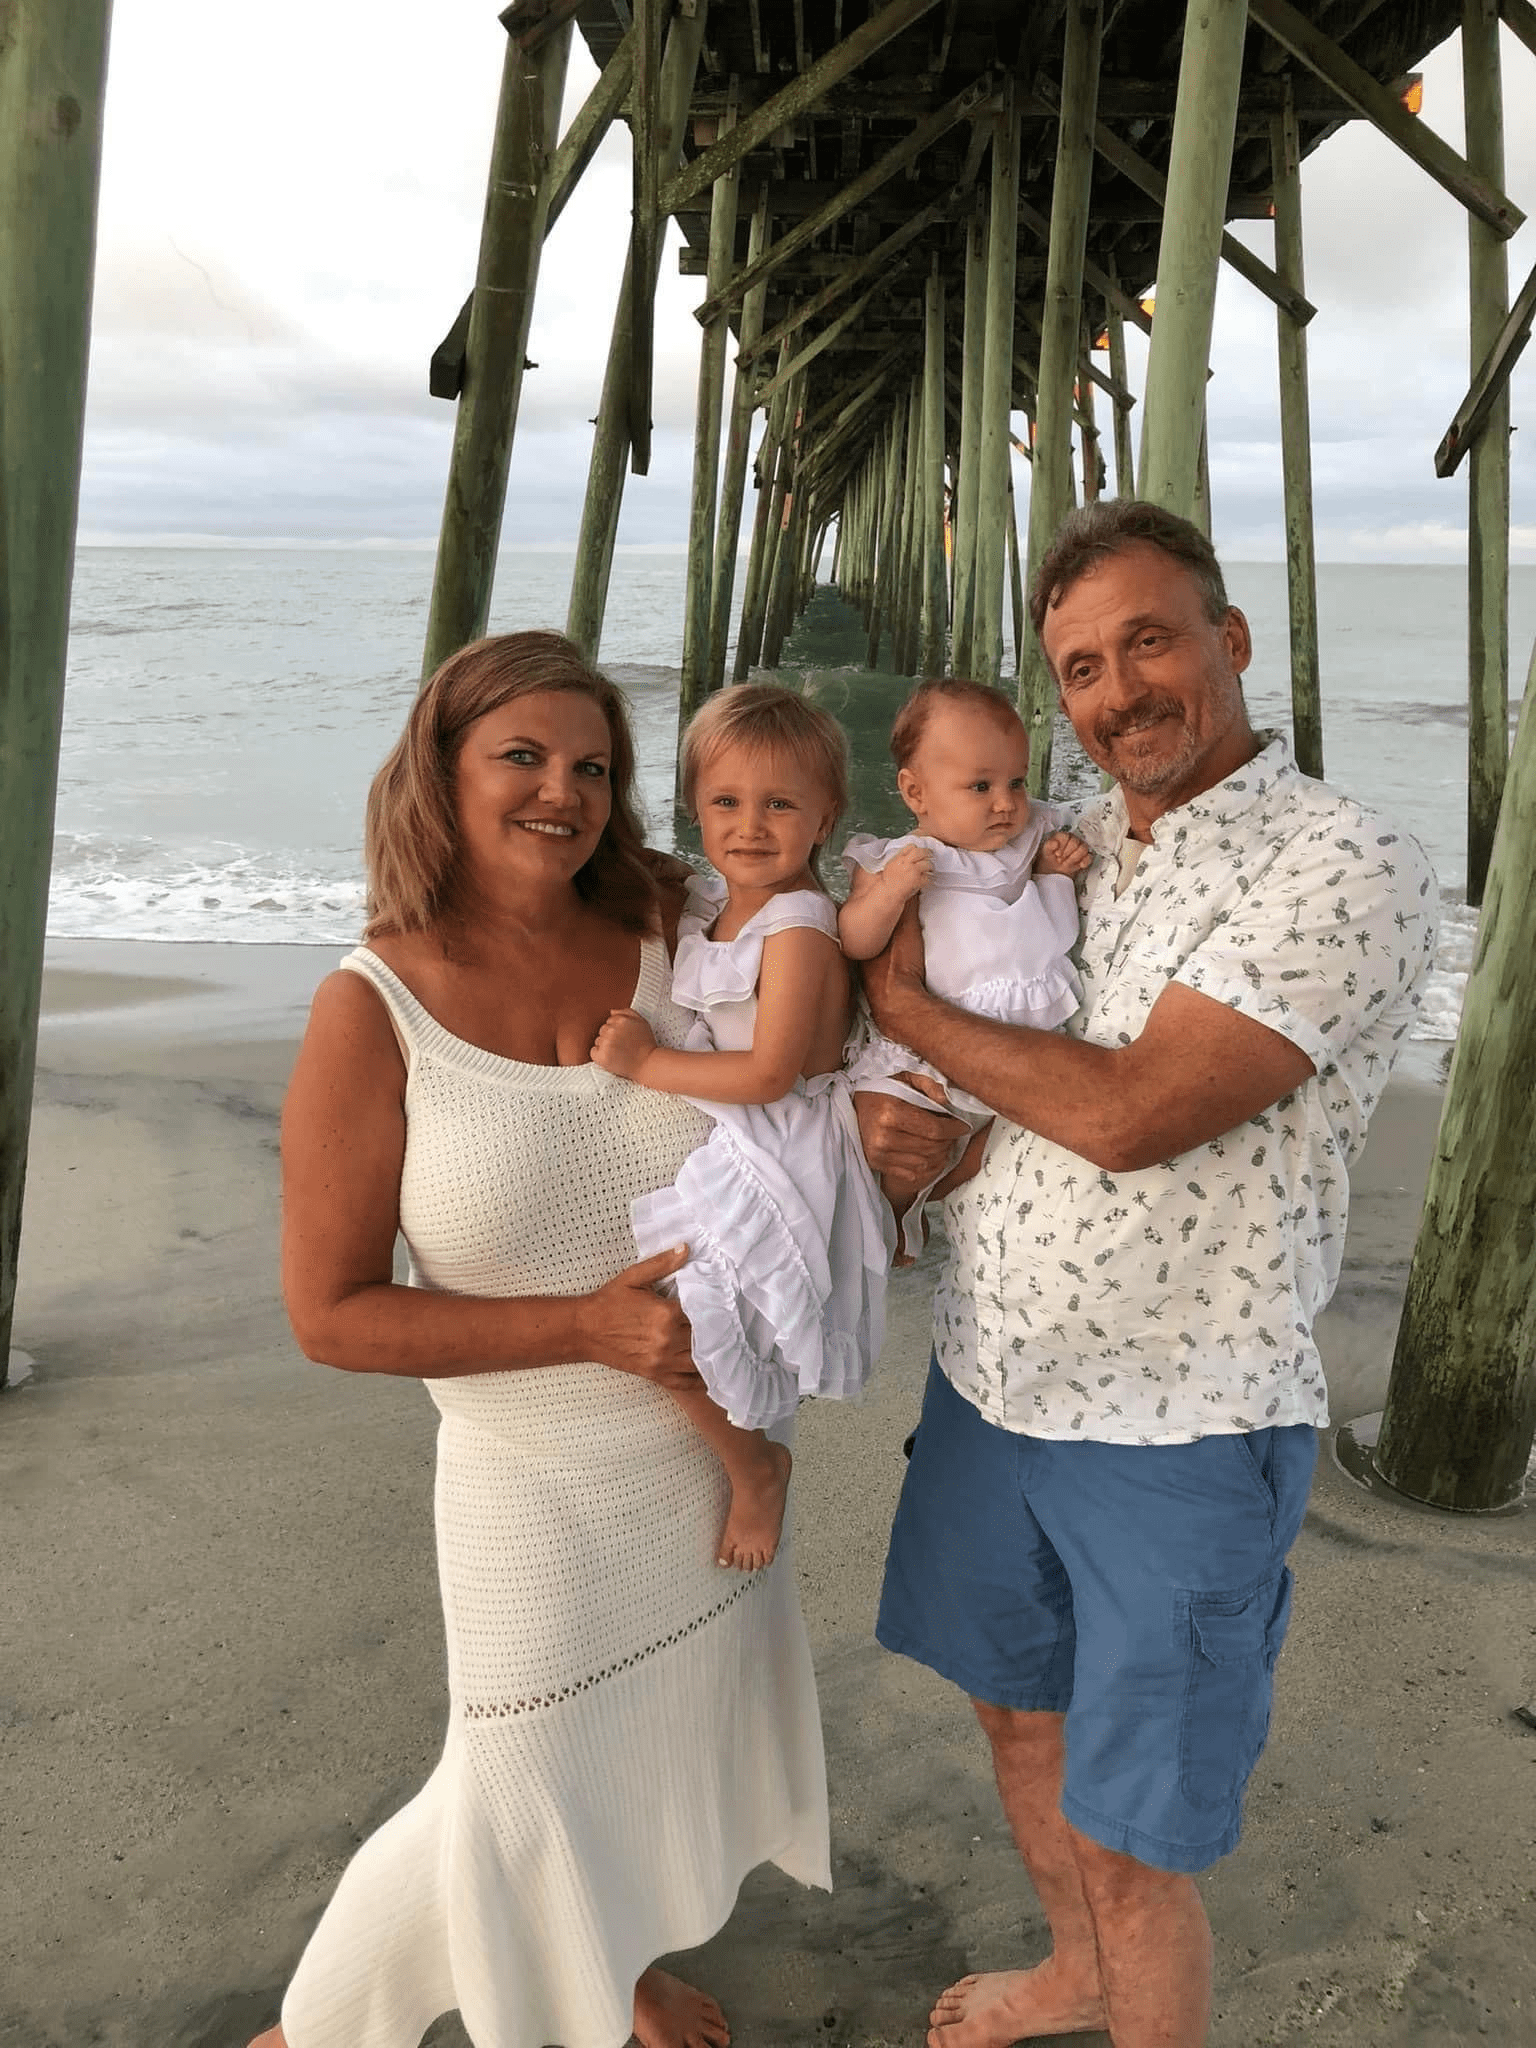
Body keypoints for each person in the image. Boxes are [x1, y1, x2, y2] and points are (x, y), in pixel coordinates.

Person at [856, 501, 1437, 2048]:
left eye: (1151, 641)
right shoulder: (1070, 839)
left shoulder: (1346, 862)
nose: (1118, 693)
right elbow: (1017, 1078)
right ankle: (1070, 1978)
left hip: (1178, 1425)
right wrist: (933, 1148)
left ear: (1232, 640)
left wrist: (903, 1017)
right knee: (1017, 1712)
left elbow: (1127, 1114)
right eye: (1081, 669)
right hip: (989, 1378)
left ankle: (1121, 1978)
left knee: (1137, 1837)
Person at [253, 633, 829, 2048]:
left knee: (628, 1749)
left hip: (710, 1451)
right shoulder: (370, 1007)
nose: (562, 791)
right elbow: (330, 1314)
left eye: (594, 767)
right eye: (521, 755)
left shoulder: (675, 922)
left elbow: (836, 933)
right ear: (438, 770)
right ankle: (320, 2030)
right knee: (514, 1768)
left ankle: (610, 1963)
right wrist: (583, 1325)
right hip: (529, 1471)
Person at [592, 684, 892, 1571]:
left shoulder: (798, 925)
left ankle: (756, 1467)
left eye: (780, 805)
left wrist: (646, 1064)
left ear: (826, 817)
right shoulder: (717, 904)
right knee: (684, 1306)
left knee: (683, 1307)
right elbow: (672, 889)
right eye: (725, 801)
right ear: (694, 806)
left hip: (784, 1141)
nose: (750, 826)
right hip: (740, 1135)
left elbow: (770, 1072)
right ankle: (747, 1444)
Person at [838, 677, 1092, 1255]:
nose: (1005, 802)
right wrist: (889, 895)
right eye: (980, 786)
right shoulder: (902, 860)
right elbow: (854, 939)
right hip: (939, 1042)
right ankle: (898, 1217)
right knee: (915, 1132)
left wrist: (1055, 872)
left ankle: (937, 1204)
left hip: (1025, 1034)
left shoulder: (1027, 842)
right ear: (915, 792)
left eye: (1016, 782)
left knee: (997, 1143)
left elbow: (1043, 928)